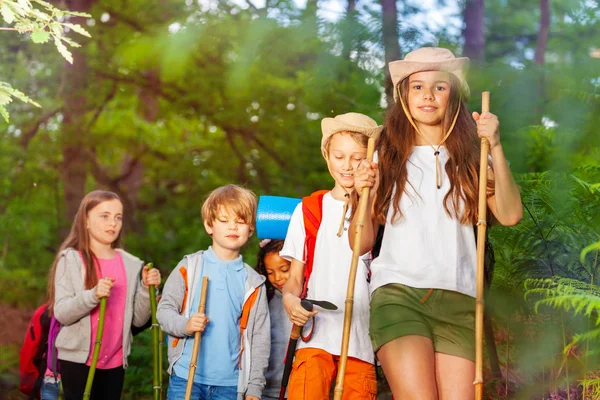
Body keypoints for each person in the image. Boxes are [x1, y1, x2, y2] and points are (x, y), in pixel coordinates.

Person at [352, 47, 523, 400]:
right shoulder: (385, 158)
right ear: (404, 95)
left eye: (439, 87)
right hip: (399, 294)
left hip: (460, 297)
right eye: (417, 87)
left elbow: (509, 214)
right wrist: (361, 194)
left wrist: (496, 146)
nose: (428, 95)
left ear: (455, 96)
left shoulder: (472, 159)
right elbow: (360, 244)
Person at [281, 113, 382, 400]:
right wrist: (290, 300)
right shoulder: (310, 209)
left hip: (361, 342)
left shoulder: (380, 210)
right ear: (327, 155)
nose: (347, 166)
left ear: (372, 160)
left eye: (358, 157)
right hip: (316, 338)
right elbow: (295, 278)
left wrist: (368, 197)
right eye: (339, 156)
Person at [157, 184, 270, 400]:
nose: (233, 227)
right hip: (186, 376)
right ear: (209, 225)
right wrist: (186, 325)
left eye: (240, 221)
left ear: (251, 229)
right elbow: (164, 311)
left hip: (230, 384)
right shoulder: (189, 267)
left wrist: (255, 387)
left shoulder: (253, 283)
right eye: (224, 220)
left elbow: (260, 339)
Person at [48, 190, 161, 400]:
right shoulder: (71, 260)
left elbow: (137, 319)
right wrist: (92, 296)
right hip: (78, 360)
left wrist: (146, 289)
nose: (113, 223)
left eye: (118, 217)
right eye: (105, 216)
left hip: (116, 361)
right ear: (86, 220)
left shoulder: (131, 264)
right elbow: (62, 312)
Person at [254, 239, 293, 400]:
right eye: (270, 272)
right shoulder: (265, 301)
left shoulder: (310, 300)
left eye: (284, 270)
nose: (277, 278)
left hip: (299, 390)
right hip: (266, 391)